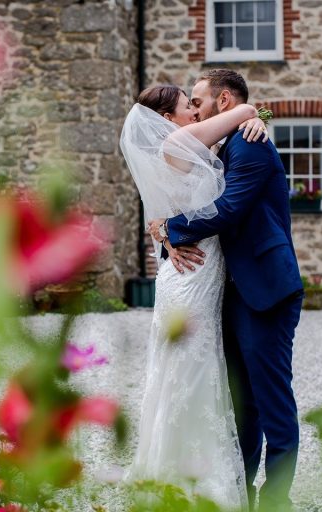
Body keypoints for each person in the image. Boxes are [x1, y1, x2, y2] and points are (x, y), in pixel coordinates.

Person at [148, 69, 303, 511]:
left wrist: (171, 229)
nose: (194, 110)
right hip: (227, 292)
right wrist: (162, 231)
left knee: (272, 403)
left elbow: (230, 208)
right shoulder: (222, 141)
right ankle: (240, 494)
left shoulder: (250, 142)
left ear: (224, 101)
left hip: (265, 289)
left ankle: (276, 502)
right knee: (242, 405)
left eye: (198, 101)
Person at [120, 83, 268, 510]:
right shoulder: (176, 143)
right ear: (168, 119)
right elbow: (244, 111)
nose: (196, 112)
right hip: (192, 277)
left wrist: (164, 232)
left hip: (193, 270)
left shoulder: (185, 147)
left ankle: (182, 467)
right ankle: (189, 477)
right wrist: (254, 115)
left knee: (193, 367)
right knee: (190, 367)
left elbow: (161, 215)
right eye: (189, 106)